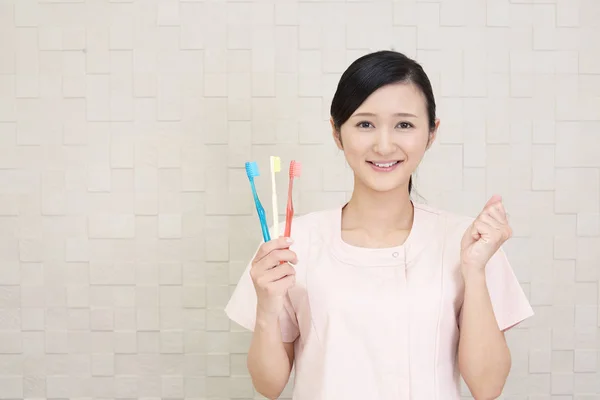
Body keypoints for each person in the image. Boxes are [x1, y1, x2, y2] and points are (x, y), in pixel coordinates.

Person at [225, 50, 534, 400]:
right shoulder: (292, 241)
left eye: (404, 124)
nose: (384, 145)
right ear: (337, 133)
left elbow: (488, 386)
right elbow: (269, 386)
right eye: (364, 124)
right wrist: (266, 308)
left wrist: (475, 271)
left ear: (431, 133)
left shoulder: (469, 242)